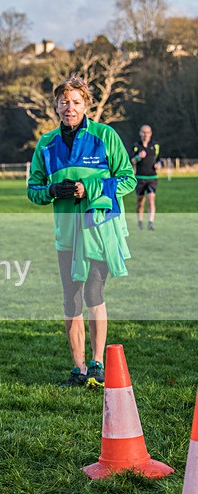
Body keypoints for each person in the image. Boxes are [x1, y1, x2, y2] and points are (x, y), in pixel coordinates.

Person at [27, 77, 136, 388]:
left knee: (93, 294)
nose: (69, 107)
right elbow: (33, 191)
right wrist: (52, 190)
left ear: (86, 105)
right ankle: (78, 370)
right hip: (67, 235)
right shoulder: (46, 145)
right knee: (71, 299)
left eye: (75, 102)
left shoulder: (105, 136)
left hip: (100, 231)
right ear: (57, 105)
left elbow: (127, 178)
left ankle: (97, 364)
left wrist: (88, 188)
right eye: (64, 101)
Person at [130, 124, 162, 231]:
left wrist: (158, 165)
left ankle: (150, 223)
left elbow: (159, 160)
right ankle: (140, 222)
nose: (146, 134)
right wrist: (139, 157)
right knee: (140, 201)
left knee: (151, 199)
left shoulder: (155, 146)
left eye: (148, 132)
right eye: (144, 132)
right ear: (140, 133)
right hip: (140, 178)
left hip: (152, 177)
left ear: (151, 133)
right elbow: (132, 161)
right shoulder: (136, 146)